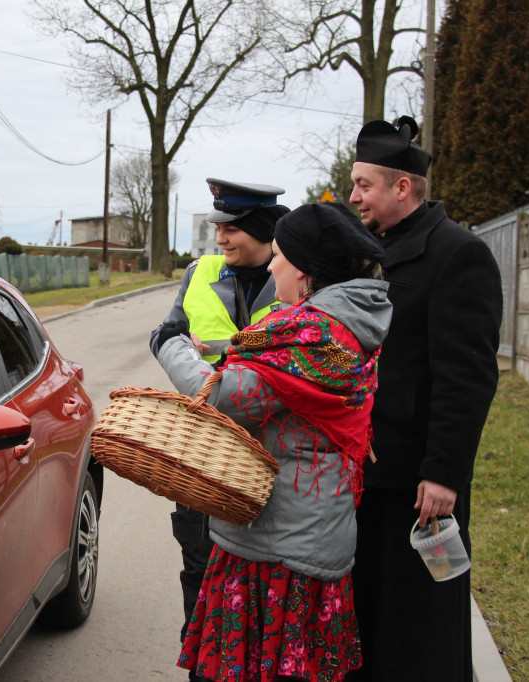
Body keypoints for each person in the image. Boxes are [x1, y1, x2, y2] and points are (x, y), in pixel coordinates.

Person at [154, 201, 392, 682]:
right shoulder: (340, 325)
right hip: (310, 534)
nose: (272, 264)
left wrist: (172, 345)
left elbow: (221, 395)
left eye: (280, 254)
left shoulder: (311, 333)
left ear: (304, 271)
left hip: (279, 554)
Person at [344, 117, 503, 681]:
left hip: (418, 488)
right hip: (364, 475)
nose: (353, 195)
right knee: (368, 624)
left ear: (402, 187)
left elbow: (469, 379)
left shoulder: (458, 255)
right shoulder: (369, 252)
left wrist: (443, 474)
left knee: (420, 630)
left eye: (364, 185)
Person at [150, 178, 290, 663]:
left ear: (263, 230)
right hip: (203, 454)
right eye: (219, 228)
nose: (222, 238)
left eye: (232, 229)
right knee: (200, 572)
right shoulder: (199, 273)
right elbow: (166, 334)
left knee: (262, 586)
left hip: (268, 458)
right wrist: (176, 351)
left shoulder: (296, 276)